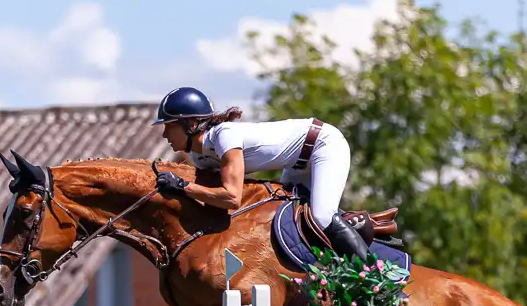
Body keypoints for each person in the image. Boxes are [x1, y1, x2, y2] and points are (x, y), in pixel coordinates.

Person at [150, 86, 371, 260]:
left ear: (190, 123)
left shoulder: (224, 136)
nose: (164, 135)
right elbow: (210, 198)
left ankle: (378, 280)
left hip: (323, 144)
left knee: (321, 217)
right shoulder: (200, 157)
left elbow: (231, 197)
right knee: (288, 221)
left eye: (169, 126)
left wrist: (182, 186)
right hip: (297, 165)